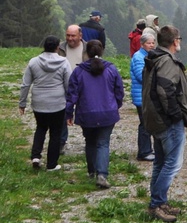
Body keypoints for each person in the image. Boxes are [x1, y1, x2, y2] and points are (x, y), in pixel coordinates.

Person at [142, 25, 187, 223]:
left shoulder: (154, 58)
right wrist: (175, 115)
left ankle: (159, 201)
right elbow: (165, 90)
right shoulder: (167, 62)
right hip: (167, 122)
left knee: (160, 162)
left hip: (155, 119)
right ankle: (156, 204)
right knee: (172, 164)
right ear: (175, 41)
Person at [66, 40, 125, 189]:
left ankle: (92, 171)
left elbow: (72, 95)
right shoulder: (111, 69)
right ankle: (102, 174)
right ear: (103, 51)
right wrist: (116, 105)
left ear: (86, 52)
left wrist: (69, 113)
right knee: (103, 143)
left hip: (87, 113)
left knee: (90, 142)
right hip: (107, 112)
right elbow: (119, 91)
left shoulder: (79, 71)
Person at [19, 35, 71, 171]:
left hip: (39, 101)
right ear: (57, 47)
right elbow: (68, 84)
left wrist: (22, 103)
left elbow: (25, 84)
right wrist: (71, 102)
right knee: (55, 132)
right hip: (57, 103)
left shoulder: (33, 62)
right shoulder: (64, 62)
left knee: (41, 128)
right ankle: (52, 164)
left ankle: (36, 156)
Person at [57, 24, 88, 154]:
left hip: (84, 86)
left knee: (86, 113)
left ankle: (89, 140)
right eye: (68, 35)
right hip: (63, 86)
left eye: (73, 35)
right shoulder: (60, 49)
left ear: (80, 36)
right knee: (62, 115)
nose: (70, 38)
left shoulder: (88, 48)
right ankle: (61, 142)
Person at [130, 31, 156, 161]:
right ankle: (144, 151)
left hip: (147, 95)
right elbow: (141, 76)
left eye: (153, 43)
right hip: (141, 96)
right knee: (145, 124)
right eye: (148, 43)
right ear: (142, 44)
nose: (151, 45)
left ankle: (148, 150)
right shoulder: (138, 57)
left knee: (148, 123)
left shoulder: (150, 56)